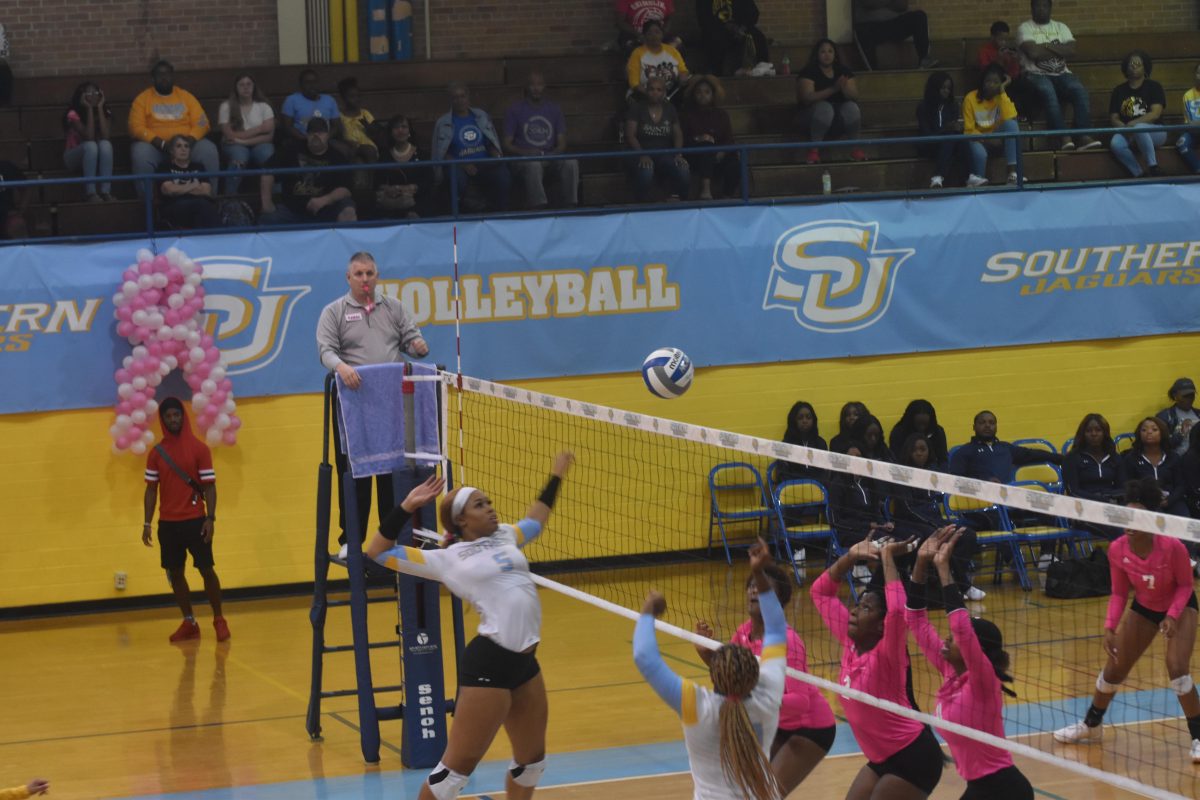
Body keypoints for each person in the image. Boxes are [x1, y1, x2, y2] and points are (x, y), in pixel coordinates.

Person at [365, 453, 575, 800]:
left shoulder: (507, 535)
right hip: (489, 664)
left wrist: (556, 476)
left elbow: (536, 520)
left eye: (489, 502)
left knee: (532, 763)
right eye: (480, 505)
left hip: (525, 664)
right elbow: (376, 551)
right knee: (454, 774)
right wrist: (406, 506)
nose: (490, 508)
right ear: (462, 519)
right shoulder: (444, 559)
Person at [1053, 478, 1200, 763]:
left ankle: (1198, 737)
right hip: (1144, 606)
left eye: (1136, 515)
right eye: (1126, 514)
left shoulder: (1172, 547)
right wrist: (1110, 626)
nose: (1129, 522)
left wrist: (1171, 617)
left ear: (1150, 519)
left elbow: (1185, 586)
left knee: (1177, 667)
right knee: (1115, 666)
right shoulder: (1118, 549)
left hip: (1179, 607)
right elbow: (1120, 593)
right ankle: (1091, 726)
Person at [635, 539, 786, 800]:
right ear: (755, 675)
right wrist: (759, 573)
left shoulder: (696, 706)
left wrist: (649, 609)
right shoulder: (769, 695)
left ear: (714, 672)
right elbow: (775, 627)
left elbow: (644, 657)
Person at [812, 533, 945, 798]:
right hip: (882, 757)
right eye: (857, 604)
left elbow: (897, 612)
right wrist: (849, 557)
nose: (853, 611)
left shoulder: (887, 656)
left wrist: (887, 558)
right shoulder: (851, 644)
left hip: (913, 757)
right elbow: (820, 592)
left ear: (880, 625)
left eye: (865, 608)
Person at [907, 528, 1034, 799]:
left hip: (1004, 791)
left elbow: (962, 628)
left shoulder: (983, 682)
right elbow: (916, 620)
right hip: (981, 788)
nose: (946, 638)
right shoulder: (950, 672)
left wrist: (943, 569)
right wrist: (920, 563)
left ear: (972, 649)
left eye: (952, 638)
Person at [317, 251, 430, 546]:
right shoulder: (334, 311)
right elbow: (326, 351)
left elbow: (411, 338)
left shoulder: (393, 307)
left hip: (392, 403)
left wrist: (417, 345)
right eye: (359, 274)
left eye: (369, 273)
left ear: (377, 276)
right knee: (354, 474)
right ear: (348, 278)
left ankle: (390, 538)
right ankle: (349, 543)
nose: (365, 279)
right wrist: (342, 367)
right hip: (353, 403)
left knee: (391, 471)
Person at [693, 563, 837, 795]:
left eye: (762, 589)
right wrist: (706, 653)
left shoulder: (787, 641)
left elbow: (801, 703)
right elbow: (733, 679)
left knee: (766, 795)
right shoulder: (743, 633)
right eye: (751, 586)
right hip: (778, 724)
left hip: (810, 728)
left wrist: (754, 700)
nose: (753, 591)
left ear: (776, 602)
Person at [142, 397, 228, 643]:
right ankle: (189, 622)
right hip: (168, 524)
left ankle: (219, 619)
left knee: (206, 569)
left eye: (177, 415)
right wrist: (147, 523)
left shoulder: (200, 449)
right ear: (163, 420)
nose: (173, 419)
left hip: (195, 520)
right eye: (168, 416)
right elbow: (151, 490)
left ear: (183, 416)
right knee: (175, 573)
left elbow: (209, 487)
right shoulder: (156, 453)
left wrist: (210, 518)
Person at [892, 433, 984, 600]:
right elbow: (907, 509)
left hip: (934, 522)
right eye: (915, 450)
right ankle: (963, 586)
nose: (919, 453)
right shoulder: (901, 476)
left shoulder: (932, 475)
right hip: (909, 524)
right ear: (908, 452)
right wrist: (935, 526)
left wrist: (939, 524)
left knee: (966, 534)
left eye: (923, 449)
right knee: (940, 537)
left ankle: (952, 580)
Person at [1015, 0, 1100, 152]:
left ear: (1050, 8)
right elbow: (1033, 53)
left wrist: (1044, 46)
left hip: (1062, 73)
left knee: (1079, 90)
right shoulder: (1025, 28)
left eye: (1044, 5)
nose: (1041, 9)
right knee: (1048, 91)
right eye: (1037, 6)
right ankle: (1063, 137)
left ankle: (1083, 136)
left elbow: (1071, 51)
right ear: (1032, 8)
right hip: (1035, 74)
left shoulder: (1061, 27)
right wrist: (1058, 47)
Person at [128, 60, 220, 197]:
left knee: (209, 149)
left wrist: (189, 141)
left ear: (173, 77)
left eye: (168, 74)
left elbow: (203, 123)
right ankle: (148, 204)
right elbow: (135, 127)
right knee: (140, 152)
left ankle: (211, 197)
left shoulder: (186, 96)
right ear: (152, 78)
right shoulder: (142, 99)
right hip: (157, 147)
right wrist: (161, 143)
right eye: (160, 75)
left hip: (187, 145)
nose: (164, 77)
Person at [502, 71, 579, 210]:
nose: (536, 88)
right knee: (534, 165)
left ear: (544, 87)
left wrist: (554, 154)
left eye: (539, 84)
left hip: (550, 156)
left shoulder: (554, 109)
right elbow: (507, 144)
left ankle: (571, 205)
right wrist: (526, 152)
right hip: (524, 160)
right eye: (532, 85)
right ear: (527, 87)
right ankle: (539, 207)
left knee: (571, 163)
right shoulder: (514, 110)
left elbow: (562, 143)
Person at [259, 117, 356, 225]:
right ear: (307, 134)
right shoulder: (291, 149)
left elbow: (346, 189)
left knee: (348, 210)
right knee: (267, 219)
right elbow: (268, 170)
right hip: (292, 211)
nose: (316, 136)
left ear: (327, 135)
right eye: (312, 132)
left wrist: (324, 200)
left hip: (325, 210)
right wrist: (266, 202)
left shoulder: (337, 157)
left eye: (320, 132)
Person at [432, 82, 511, 212]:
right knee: (457, 179)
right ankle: (459, 213)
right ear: (450, 100)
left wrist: (496, 154)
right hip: (458, 165)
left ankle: (501, 213)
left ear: (468, 97)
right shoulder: (443, 122)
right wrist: (462, 164)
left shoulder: (481, 116)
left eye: (462, 96)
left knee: (502, 175)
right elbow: (441, 153)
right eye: (455, 97)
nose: (459, 100)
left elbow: (490, 143)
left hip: (484, 162)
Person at [797, 39, 864, 165]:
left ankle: (855, 149)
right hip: (811, 116)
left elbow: (855, 96)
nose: (827, 55)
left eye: (830, 51)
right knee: (824, 108)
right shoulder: (809, 71)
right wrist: (833, 89)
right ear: (817, 54)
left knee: (852, 107)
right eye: (823, 52)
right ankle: (813, 152)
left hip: (837, 117)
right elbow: (807, 97)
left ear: (835, 54)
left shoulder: (843, 71)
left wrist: (844, 88)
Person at [624, 76, 690, 201]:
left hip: (665, 154)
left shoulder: (670, 108)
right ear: (646, 90)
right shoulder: (637, 108)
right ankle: (641, 203)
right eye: (651, 89)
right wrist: (642, 154)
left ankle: (683, 202)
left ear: (664, 92)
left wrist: (678, 154)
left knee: (683, 168)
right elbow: (630, 135)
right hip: (640, 152)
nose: (655, 92)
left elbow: (678, 133)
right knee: (646, 169)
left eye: (659, 90)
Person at [950, 410, 1062, 483]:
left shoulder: (1006, 448)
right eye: (982, 422)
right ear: (974, 427)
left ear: (996, 427)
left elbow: (1033, 454)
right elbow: (955, 480)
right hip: (979, 503)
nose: (987, 425)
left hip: (1008, 499)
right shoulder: (964, 451)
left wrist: (1062, 459)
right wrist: (983, 482)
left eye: (991, 423)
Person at [1107, 50, 1165, 178]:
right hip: (1129, 131)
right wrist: (1125, 129)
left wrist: (1132, 125)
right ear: (1125, 68)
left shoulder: (1154, 87)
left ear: (1145, 68)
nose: (1134, 66)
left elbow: (1155, 114)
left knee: (1140, 128)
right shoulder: (1119, 90)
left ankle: (1153, 166)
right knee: (1115, 143)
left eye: (1138, 64)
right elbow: (1114, 118)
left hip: (1156, 131)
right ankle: (1138, 173)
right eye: (1131, 64)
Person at [681, 75, 739, 200]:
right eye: (699, 92)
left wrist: (721, 152)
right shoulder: (687, 115)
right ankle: (705, 190)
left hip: (718, 155)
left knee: (734, 163)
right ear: (693, 94)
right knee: (706, 146)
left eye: (707, 92)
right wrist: (699, 139)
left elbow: (729, 139)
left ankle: (727, 195)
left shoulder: (722, 115)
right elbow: (682, 140)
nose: (703, 95)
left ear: (713, 94)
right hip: (695, 156)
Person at [962, 63, 1020, 188]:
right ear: (982, 82)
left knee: (1011, 124)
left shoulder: (1001, 97)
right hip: (979, 141)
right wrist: (987, 139)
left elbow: (1011, 118)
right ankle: (979, 180)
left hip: (997, 141)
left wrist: (1003, 91)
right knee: (979, 152)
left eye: (996, 82)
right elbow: (968, 130)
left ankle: (1012, 174)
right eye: (988, 81)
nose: (991, 85)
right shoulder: (970, 98)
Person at [218, 73, 275, 195]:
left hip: (259, 144)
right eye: (241, 84)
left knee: (268, 155)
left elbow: (269, 137)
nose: (246, 87)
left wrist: (242, 140)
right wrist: (260, 129)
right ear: (236, 88)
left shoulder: (264, 107)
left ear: (254, 87)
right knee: (240, 157)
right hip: (233, 145)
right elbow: (229, 135)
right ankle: (230, 198)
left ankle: (275, 197)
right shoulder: (226, 107)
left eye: (249, 84)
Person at [1121, 417, 1188, 518]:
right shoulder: (1131, 458)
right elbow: (1128, 486)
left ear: (1162, 433)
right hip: (1144, 502)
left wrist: (1169, 500)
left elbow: (1181, 485)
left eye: (1154, 429)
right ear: (1139, 434)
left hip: (1171, 500)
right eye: (1144, 430)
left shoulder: (1173, 457)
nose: (1149, 432)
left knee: (1184, 518)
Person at [375, 114, 435, 218]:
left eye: (404, 127)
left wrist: (412, 188)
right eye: (396, 127)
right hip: (392, 203)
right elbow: (378, 183)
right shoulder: (384, 156)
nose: (400, 130)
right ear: (391, 132)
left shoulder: (422, 155)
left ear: (409, 131)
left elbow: (429, 181)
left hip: (418, 201)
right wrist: (390, 189)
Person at [977, 21, 1039, 120]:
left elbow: (1014, 74)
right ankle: (1012, 116)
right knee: (1009, 92)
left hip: (1008, 80)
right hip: (993, 83)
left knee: (1028, 86)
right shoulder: (984, 51)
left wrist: (1014, 61)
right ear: (992, 37)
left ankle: (1028, 119)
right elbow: (985, 72)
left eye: (1006, 39)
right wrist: (998, 59)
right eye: (1001, 39)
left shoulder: (1007, 51)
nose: (1003, 42)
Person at [63, 82, 114, 202]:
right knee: (91, 146)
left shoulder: (105, 111)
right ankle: (91, 193)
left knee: (106, 144)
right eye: (89, 93)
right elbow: (89, 136)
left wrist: (100, 107)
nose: (93, 96)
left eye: (96, 93)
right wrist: (89, 108)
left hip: (95, 157)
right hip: (73, 157)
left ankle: (105, 191)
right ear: (82, 96)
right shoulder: (73, 114)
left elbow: (106, 136)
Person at [852, 0, 937, 70]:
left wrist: (880, 3)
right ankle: (872, 73)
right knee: (862, 32)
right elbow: (869, 3)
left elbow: (902, 5)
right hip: (869, 26)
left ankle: (924, 59)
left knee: (919, 16)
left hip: (892, 23)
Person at [915, 71, 965, 190]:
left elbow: (953, 129)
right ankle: (938, 175)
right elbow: (927, 134)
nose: (946, 91)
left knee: (962, 139)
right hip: (929, 145)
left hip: (947, 145)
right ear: (934, 88)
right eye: (943, 88)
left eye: (949, 88)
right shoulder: (923, 107)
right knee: (950, 137)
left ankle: (969, 177)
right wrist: (946, 129)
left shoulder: (953, 105)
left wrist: (957, 128)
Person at [158, 135, 220, 229]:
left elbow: (206, 191)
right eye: (179, 146)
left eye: (186, 146)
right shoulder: (165, 167)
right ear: (171, 151)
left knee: (205, 206)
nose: (183, 149)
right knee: (201, 206)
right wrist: (194, 185)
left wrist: (180, 189)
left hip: (200, 205)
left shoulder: (198, 167)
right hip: (175, 205)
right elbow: (169, 190)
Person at [695, 0, 770, 77]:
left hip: (740, 26)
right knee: (714, 38)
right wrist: (727, 27)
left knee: (758, 36)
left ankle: (763, 67)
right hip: (716, 28)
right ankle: (718, 72)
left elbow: (754, 13)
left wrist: (742, 27)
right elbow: (703, 19)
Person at [1064, 413, 1123, 504]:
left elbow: (1123, 488)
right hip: (1083, 507)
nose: (1093, 434)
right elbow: (1073, 491)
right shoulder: (1072, 458)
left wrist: (1109, 497)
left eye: (1098, 430)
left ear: (1105, 433)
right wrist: (1102, 500)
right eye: (1088, 431)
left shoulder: (1115, 457)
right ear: (1082, 434)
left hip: (1111, 505)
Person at [626, 19, 690, 100]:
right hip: (645, 95)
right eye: (650, 33)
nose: (654, 36)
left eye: (657, 32)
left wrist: (683, 77)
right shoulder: (637, 53)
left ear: (662, 35)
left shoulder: (672, 51)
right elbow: (634, 83)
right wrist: (654, 95)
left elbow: (683, 70)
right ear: (644, 36)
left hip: (670, 94)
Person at [280, 69, 342, 151]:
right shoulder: (291, 100)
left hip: (326, 141)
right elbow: (287, 127)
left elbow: (336, 126)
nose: (312, 85)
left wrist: (325, 138)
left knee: (343, 151)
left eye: (314, 82)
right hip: (301, 141)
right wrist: (307, 139)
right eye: (308, 83)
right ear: (301, 85)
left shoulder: (329, 100)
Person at [889, 399, 949, 469]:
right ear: (911, 421)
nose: (922, 428)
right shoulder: (898, 433)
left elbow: (943, 460)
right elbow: (895, 461)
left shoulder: (937, 432)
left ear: (931, 421)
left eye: (925, 424)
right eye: (918, 424)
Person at [777, 400, 827, 481]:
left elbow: (824, 473)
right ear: (794, 421)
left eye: (808, 417)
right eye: (800, 418)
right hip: (793, 488)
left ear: (813, 420)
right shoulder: (786, 445)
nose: (805, 421)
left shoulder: (821, 443)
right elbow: (783, 474)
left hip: (817, 488)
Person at [336, 77, 379, 163]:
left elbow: (375, 133)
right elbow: (338, 135)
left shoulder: (365, 114)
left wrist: (369, 127)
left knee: (370, 151)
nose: (356, 99)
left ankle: (374, 176)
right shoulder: (339, 116)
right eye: (352, 96)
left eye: (358, 96)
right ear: (343, 98)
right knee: (355, 159)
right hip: (349, 147)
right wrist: (347, 142)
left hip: (368, 148)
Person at [1156, 377, 1197, 456]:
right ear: (1175, 396)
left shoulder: (1198, 414)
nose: (1189, 399)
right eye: (1185, 396)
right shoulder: (1165, 416)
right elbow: (1161, 446)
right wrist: (1181, 433)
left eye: (1192, 395)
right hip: (1178, 462)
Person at [1174, 64, 1200, 174]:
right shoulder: (1188, 95)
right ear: (1195, 75)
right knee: (1181, 143)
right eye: (1199, 73)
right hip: (1194, 132)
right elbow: (1190, 123)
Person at [0, 159, 27, 240]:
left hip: (7, 214)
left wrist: (21, 211)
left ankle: (22, 250)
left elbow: (26, 188)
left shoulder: (6, 166)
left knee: (17, 224)